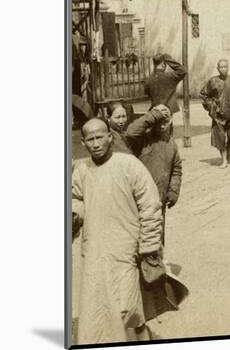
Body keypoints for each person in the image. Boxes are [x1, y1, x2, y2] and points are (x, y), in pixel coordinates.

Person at [72, 118, 163, 345]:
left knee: (128, 308)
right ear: (83, 142)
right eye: (90, 139)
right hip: (94, 252)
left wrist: (149, 246)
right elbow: (76, 198)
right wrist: (75, 214)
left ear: (110, 137)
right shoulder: (81, 170)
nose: (95, 144)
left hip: (126, 251)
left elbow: (150, 206)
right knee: (98, 309)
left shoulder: (129, 166)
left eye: (99, 137)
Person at [126, 104, 183, 242]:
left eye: (166, 122)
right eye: (159, 122)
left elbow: (177, 168)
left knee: (158, 233)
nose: (162, 126)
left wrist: (173, 191)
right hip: (140, 198)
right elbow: (130, 132)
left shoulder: (171, 143)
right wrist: (153, 115)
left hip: (160, 198)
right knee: (140, 235)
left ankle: (158, 259)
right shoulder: (143, 139)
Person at [200, 59, 230, 169]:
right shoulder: (212, 81)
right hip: (218, 114)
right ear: (218, 68)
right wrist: (211, 106)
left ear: (228, 67)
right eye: (221, 67)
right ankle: (223, 159)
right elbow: (203, 95)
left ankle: (228, 152)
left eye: (225, 67)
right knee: (220, 137)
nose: (223, 69)